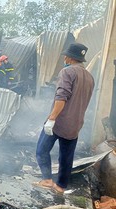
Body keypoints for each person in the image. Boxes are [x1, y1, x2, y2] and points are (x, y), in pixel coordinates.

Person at [33, 43, 94, 194]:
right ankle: (60, 187)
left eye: (65, 56)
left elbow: (62, 97)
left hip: (59, 122)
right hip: (76, 124)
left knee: (41, 150)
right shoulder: (90, 77)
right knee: (66, 157)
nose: (64, 58)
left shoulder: (67, 72)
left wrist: (52, 119)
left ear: (70, 57)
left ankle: (47, 180)